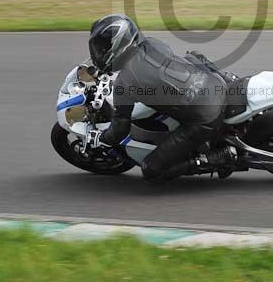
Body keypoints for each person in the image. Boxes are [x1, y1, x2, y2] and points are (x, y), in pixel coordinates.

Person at [87, 14, 236, 182]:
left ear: (116, 46)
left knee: (151, 169)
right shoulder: (152, 43)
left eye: (101, 49)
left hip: (206, 118)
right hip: (216, 82)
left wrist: (101, 138)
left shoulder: (125, 83)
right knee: (191, 56)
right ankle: (228, 77)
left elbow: (120, 130)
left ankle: (219, 157)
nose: (99, 53)